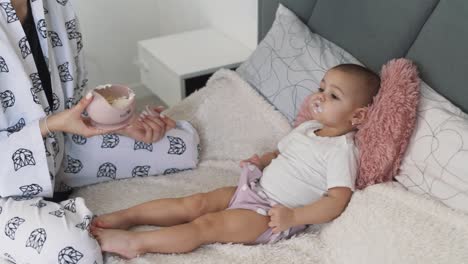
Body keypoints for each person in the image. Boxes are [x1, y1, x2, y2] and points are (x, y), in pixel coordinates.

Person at [90, 63, 381, 259]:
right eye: (321, 88)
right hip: (253, 188)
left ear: (357, 116)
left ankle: (135, 244)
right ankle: (128, 217)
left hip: (269, 216)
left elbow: (337, 200)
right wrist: (262, 160)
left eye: (333, 96)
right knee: (194, 203)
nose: (320, 97)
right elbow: (282, 155)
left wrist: (295, 217)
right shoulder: (307, 129)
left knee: (207, 225)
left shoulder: (341, 151)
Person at [0, 0, 182, 263]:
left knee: (180, 144)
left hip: (59, 149)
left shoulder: (57, 5)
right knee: (78, 252)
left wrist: (119, 122)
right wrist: (51, 124)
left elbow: (73, 100)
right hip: (5, 185)